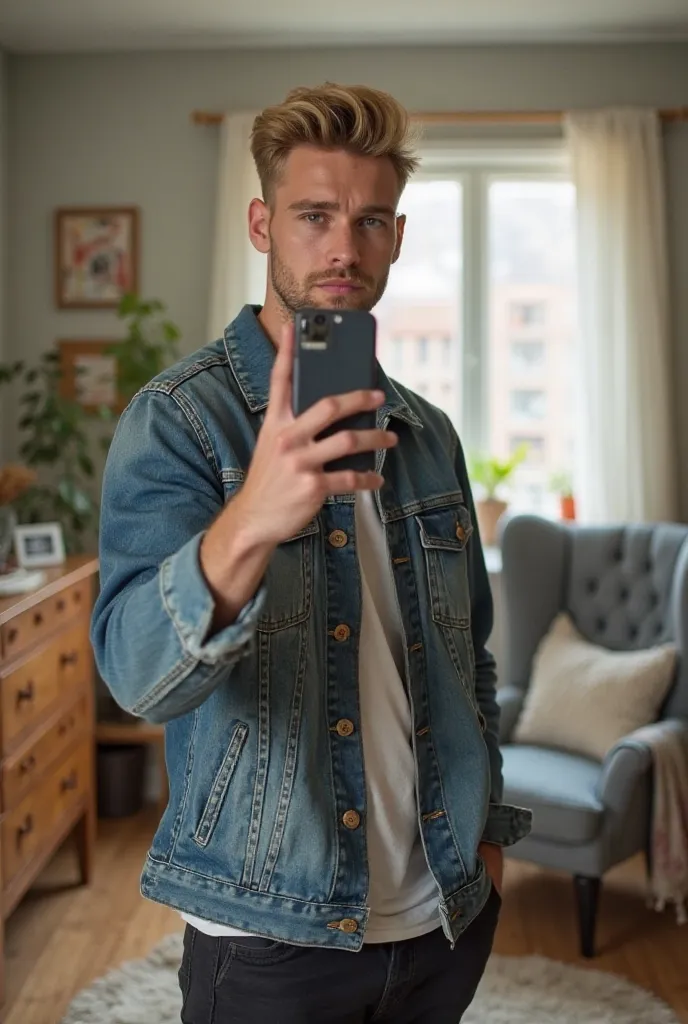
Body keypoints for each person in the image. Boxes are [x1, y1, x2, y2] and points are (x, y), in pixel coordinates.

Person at [91, 82, 531, 1024]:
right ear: (261, 223)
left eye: (370, 220)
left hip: (443, 918)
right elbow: (135, 676)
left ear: (399, 238)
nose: (343, 247)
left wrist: (486, 837)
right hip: (268, 935)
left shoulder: (429, 435)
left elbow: (470, 660)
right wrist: (251, 516)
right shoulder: (178, 423)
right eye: (314, 215)